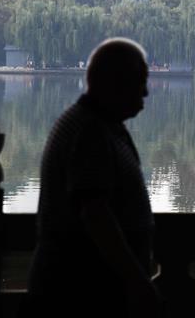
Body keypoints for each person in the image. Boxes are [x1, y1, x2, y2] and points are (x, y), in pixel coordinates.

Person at [24, 38, 162, 318]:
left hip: (91, 289)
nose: (146, 92)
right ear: (115, 82)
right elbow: (95, 213)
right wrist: (136, 280)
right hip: (80, 294)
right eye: (140, 81)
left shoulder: (100, 126)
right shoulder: (89, 132)